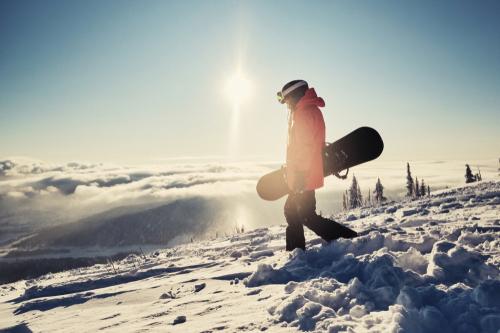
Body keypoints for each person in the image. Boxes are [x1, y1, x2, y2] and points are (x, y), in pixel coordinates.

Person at [277, 80, 358, 251]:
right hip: (305, 172)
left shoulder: (304, 113)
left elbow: (305, 149)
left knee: (302, 214)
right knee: (300, 213)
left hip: (304, 175)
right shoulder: (307, 110)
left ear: (296, 96)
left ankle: (344, 238)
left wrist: (299, 174)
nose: (288, 105)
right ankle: (298, 250)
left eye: (288, 101)